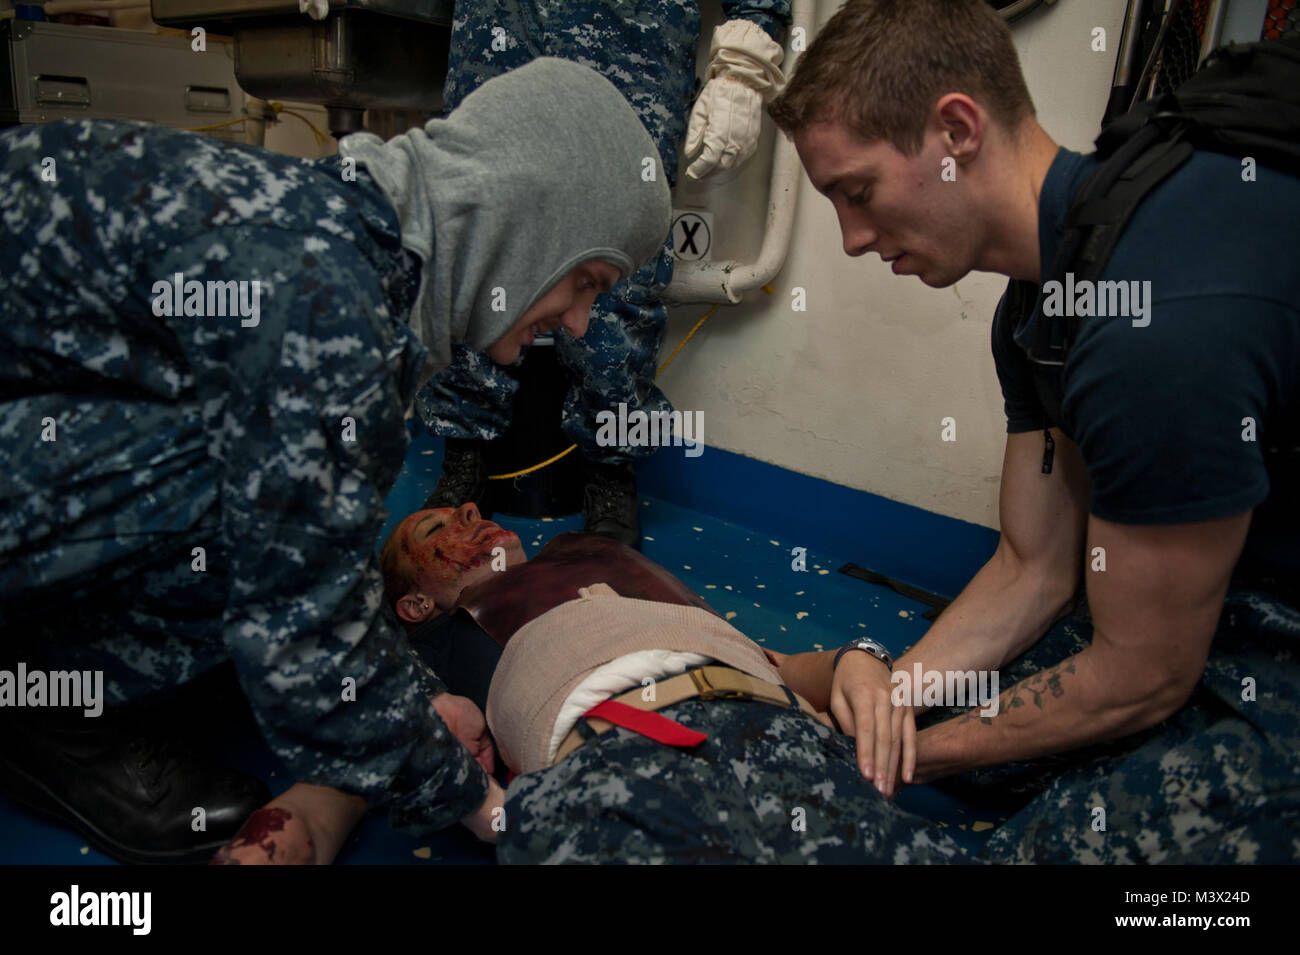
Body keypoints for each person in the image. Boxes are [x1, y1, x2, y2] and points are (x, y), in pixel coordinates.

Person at [0, 58, 669, 863]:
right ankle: (51, 715)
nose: (581, 323)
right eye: (587, 281)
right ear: (525, 220)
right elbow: (303, 626)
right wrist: (482, 806)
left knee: (295, 492)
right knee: (250, 500)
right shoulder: (325, 298)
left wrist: (412, 700)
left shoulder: (337, 224)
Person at [766, 0, 1300, 862]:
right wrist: (895, 703)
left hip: (1257, 632)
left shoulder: (1151, 324)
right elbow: (1036, 564)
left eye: (857, 193)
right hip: (1192, 593)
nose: (853, 237)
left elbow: (1145, 673)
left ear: (955, 130)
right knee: (946, 717)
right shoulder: (1045, 296)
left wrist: (901, 753)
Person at [366, 504, 972, 865]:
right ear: (416, 605)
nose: (471, 514)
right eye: (437, 528)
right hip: (620, 758)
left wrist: (857, 656)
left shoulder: (595, 560)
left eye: (467, 509)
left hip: (779, 726)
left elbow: (785, 666)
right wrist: (492, 812)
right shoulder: (430, 649)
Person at [419, 0, 791, 549]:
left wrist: (744, 57)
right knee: (476, 222)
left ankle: (611, 471)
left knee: (619, 257)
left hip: (628, 28)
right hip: (498, 23)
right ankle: (464, 452)